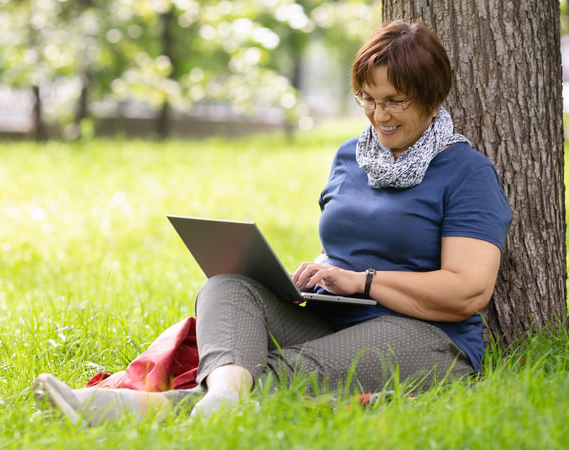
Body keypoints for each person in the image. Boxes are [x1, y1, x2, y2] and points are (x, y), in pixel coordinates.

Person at [32, 19, 512, 425]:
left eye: (394, 101)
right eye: (367, 98)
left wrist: (363, 282)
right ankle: (224, 399)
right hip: (334, 317)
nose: (378, 115)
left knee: (282, 373)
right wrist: (319, 271)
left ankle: (114, 409)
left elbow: (468, 291)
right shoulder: (352, 156)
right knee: (227, 284)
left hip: (426, 338)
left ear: (431, 98)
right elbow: (355, 239)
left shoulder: (466, 173)